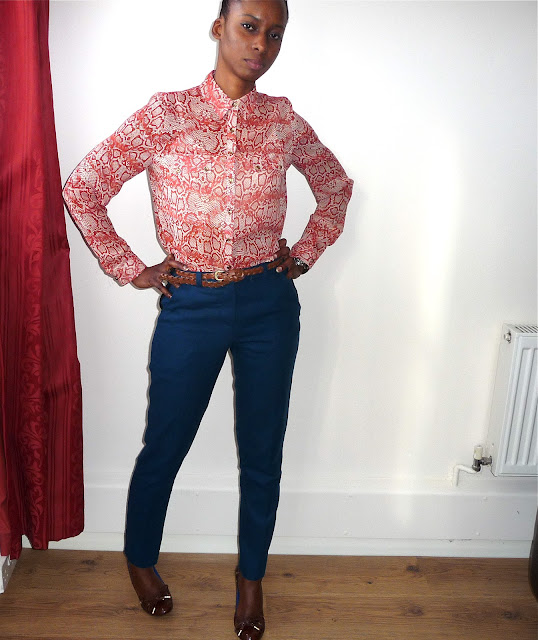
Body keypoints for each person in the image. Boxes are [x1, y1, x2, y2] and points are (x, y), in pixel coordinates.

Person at [62, 0, 353, 638]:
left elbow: (335, 186)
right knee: (165, 441)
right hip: (191, 304)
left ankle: (251, 582)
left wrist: (304, 253)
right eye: (249, 27)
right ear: (219, 28)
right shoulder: (166, 114)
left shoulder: (281, 119)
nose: (261, 44)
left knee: (263, 450)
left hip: (267, 305)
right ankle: (141, 558)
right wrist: (130, 266)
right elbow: (83, 186)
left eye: (275, 34)